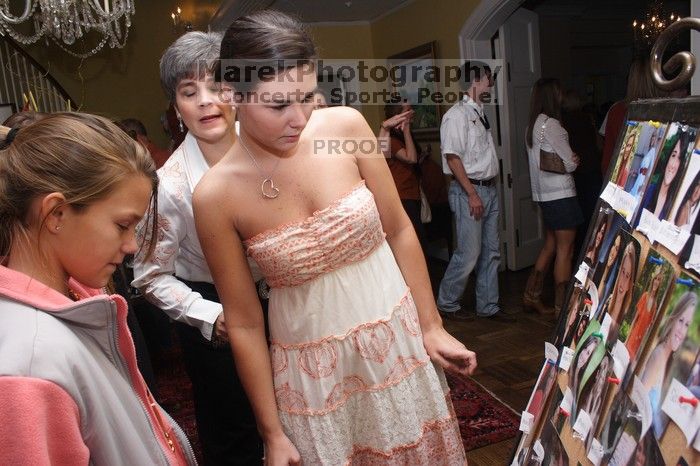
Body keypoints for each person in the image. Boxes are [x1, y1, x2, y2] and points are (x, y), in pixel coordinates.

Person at [194, 10, 476, 465]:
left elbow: (399, 228)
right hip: (311, 378)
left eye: (306, 97)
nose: (300, 118)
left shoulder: (345, 128)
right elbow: (244, 322)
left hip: (394, 342)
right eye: (278, 105)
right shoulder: (215, 196)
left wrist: (431, 325)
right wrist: (271, 433)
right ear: (231, 94)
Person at [0, 113, 195, 465]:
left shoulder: (80, 297)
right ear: (56, 213)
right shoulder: (27, 369)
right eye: (122, 225)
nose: (131, 246)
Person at [131, 31, 263, 465]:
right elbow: (149, 275)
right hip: (214, 309)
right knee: (233, 426)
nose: (207, 101)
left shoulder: (270, 147)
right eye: (190, 92)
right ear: (177, 107)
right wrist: (211, 316)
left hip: (281, 296)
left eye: (218, 86)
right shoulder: (169, 186)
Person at [437, 60, 512, 322]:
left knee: (491, 251)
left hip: (488, 190)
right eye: (489, 79)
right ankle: (447, 302)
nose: (491, 84)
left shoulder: (479, 111)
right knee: (469, 253)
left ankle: (488, 306)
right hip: (469, 191)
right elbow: (453, 158)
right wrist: (472, 194)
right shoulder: (456, 116)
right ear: (476, 80)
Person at [524, 78, 581, 316]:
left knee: (550, 245)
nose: (561, 97)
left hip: (544, 196)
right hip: (561, 195)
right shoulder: (552, 125)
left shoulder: (532, 125)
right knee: (565, 250)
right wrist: (573, 160)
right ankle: (562, 308)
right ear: (551, 96)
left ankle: (531, 296)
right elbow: (570, 163)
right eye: (558, 93)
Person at [640, 291, 697, 437]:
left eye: (687, 325)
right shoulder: (659, 356)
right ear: (673, 319)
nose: (682, 331)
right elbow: (637, 407)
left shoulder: (665, 357)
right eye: (680, 321)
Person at [600, 56, 664, 174]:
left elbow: (608, 158)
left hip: (621, 175)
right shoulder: (665, 111)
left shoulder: (616, 110)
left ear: (631, 80)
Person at [379, 101, 427, 250]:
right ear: (398, 116)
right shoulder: (391, 140)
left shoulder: (403, 137)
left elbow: (415, 159)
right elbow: (410, 158)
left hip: (412, 193)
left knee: (419, 239)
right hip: (402, 196)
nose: (412, 112)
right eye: (408, 110)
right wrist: (406, 129)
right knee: (414, 242)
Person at [642, 128, 693, 220]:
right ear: (668, 157)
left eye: (680, 159)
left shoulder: (674, 207)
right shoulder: (649, 191)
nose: (673, 165)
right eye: (673, 155)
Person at [597, 241, 638, 340]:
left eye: (627, 276)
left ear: (630, 284)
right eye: (622, 272)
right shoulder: (607, 303)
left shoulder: (626, 317)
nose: (623, 280)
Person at [625, 265, 664, 359]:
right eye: (656, 279)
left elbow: (648, 329)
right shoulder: (645, 296)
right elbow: (635, 319)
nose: (656, 281)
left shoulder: (655, 305)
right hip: (633, 336)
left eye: (659, 280)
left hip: (640, 342)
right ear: (653, 280)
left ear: (660, 284)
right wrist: (626, 339)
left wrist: (641, 348)